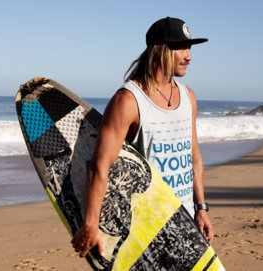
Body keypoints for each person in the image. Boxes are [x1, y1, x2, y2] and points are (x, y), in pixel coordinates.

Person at [71, 17, 213, 258]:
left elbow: (194, 156)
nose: (189, 56)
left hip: (186, 219)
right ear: (160, 50)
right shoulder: (128, 101)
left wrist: (201, 208)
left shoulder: (188, 96)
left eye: (189, 48)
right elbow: (99, 166)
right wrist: (91, 224)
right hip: (147, 227)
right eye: (182, 48)